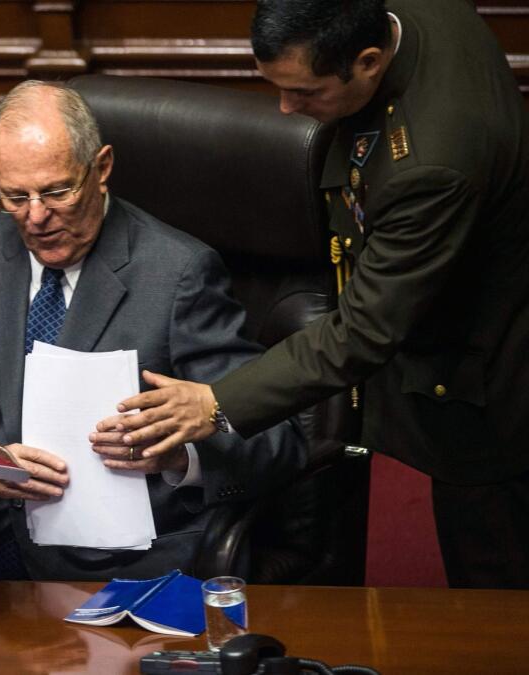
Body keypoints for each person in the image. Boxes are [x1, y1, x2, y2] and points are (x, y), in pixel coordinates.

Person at [110, 0, 529, 589]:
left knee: (495, 586)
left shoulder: (432, 161)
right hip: (427, 309)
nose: (287, 110)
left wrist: (217, 403)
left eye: (305, 93)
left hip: (476, 375)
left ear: (368, 61)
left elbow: (363, 330)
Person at [0, 81, 305, 581]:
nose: (37, 217)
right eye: (15, 197)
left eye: (57, 192)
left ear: (102, 167)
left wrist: (180, 457)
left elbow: (275, 441)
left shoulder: (179, 273)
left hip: (116, 569)